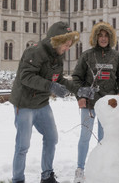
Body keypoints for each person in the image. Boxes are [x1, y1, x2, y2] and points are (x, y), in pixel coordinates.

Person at [10, 21, 95, 183]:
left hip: (42, 104)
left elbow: (60, 78)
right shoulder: (35, 52)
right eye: (66, 44)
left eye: (70, 45)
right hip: (25, 104)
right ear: (56, 40)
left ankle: (47, 175)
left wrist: (78, 90)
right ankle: (18, 179)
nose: (67, 48)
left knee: (51, 138)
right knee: (23, 145)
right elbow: (26, 77)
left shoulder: (58, 57)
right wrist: (50, 86)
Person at [72, 21, 119, 183]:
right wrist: (81, 96)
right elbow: (76, 77)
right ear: (95, 37)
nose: (103, 39)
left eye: (106, 36)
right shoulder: (87, 55)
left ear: (110, 38)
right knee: (85, 137)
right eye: (100, 35)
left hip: (107, 105)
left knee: (104, 138)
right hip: (89, 103)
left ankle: (102, 168)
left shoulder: (116, 56)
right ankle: (80, 168)